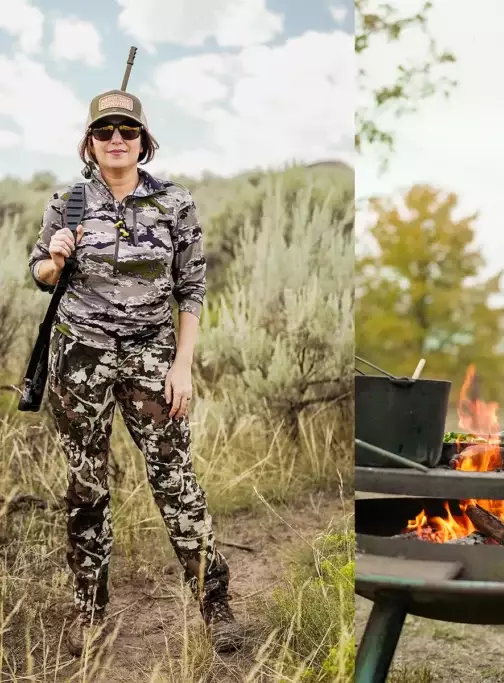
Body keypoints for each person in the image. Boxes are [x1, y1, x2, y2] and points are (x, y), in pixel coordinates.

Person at [27, 87, 243, 657]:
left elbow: (191, 289)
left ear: (143, 141)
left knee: (175, 482)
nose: (116, 140)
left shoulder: (175, 203)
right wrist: (56, 259)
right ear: (89, 143)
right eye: (105, 132)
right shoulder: (66, 202)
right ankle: (88, 610)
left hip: (152, 358)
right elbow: (39, 274)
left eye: (128, 131)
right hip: (79, 358)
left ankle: (214, 602)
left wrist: (182, 366)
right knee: (86, 486)